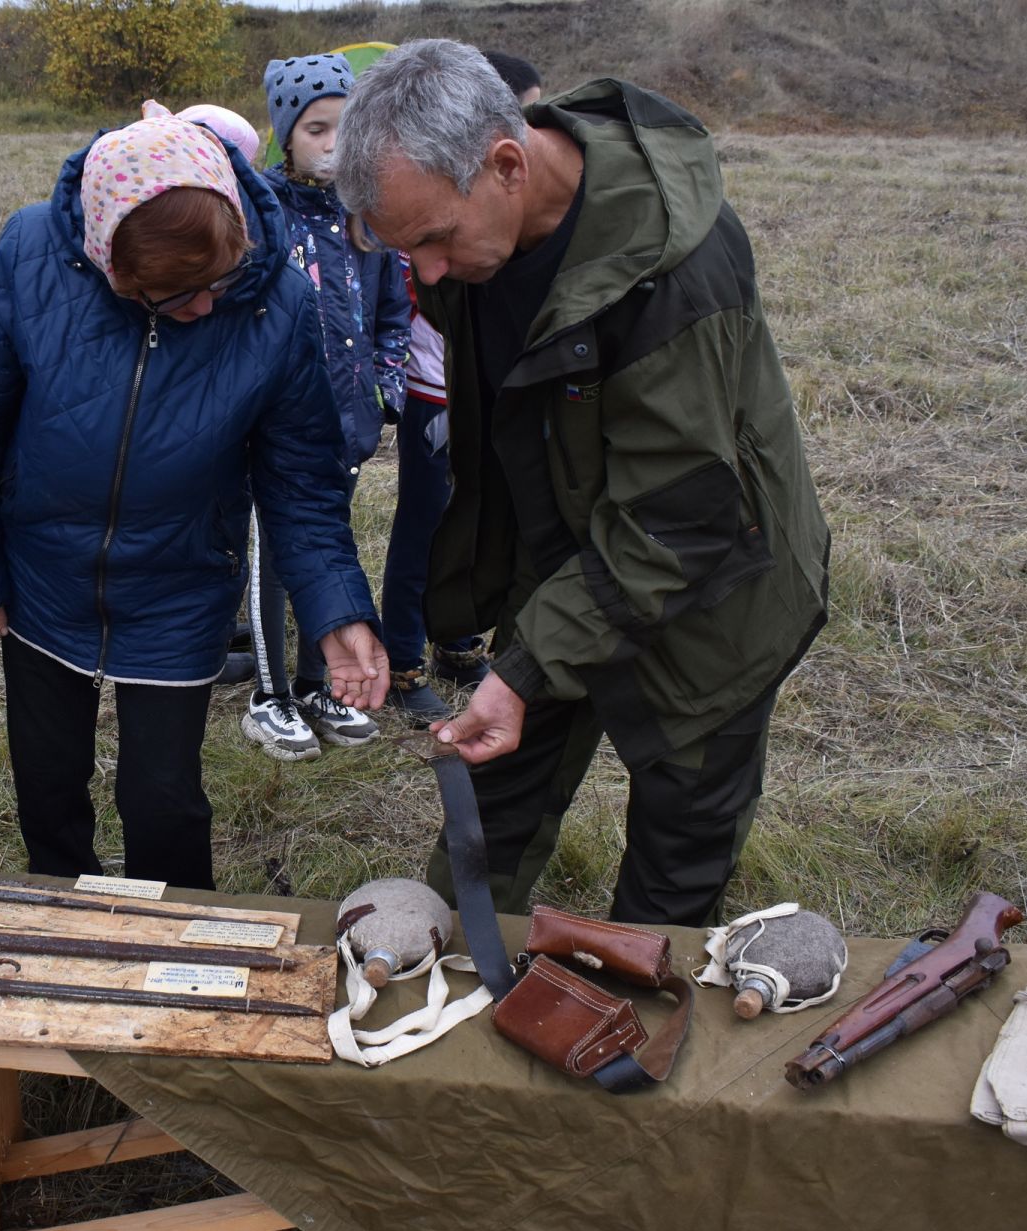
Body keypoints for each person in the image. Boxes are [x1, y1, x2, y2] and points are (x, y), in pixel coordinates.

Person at [334, 40, 831, 927]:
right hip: (565, 565)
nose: (431, 276)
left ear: (509, 163)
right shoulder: (475, 235)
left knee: (673, 875)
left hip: (717, 596)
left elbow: (679, 519)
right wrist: (523, 662)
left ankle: (632, 1020)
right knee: (486, 807)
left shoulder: (675, 271)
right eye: (411, 254)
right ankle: (436, 1008)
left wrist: (523, 669)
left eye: (438, 241)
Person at [0, 107, 390, 891]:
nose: (204, 308)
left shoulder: (275, 302)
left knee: (165, 799)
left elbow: (302, 485)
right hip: (43, 572)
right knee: (46, 780)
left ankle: (175, 947)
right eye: (175, 296)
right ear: (111, 266)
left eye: (219, 284)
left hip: (179, 581)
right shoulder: (32, 253)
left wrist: (337, 611)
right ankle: (58, 909)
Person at [240, 54, 410, 762]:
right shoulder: (265, 213)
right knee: (271, 560)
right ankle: (269, 695)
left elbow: (393, 316)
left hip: (347, 428)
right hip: (276, 433)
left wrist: (386, 388)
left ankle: (316, 683)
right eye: (317, 129)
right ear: (287, 135)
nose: (334, 143)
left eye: (347, 127)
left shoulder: (367, 218)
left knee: (328, 553)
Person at [382, 53, 544, 727]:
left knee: (483, 518)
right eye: (524, 112)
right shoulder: (430, 211)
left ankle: (456, 639)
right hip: (436, 396)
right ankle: (401, 657)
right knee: (427, 522)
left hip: (495, 393)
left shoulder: (518, 214)